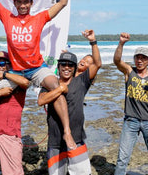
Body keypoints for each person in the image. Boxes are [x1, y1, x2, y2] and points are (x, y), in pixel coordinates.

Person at [0, 0, 77, 149]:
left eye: (26, 1)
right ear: (15, 3)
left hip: (36, 69)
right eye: (19, 1)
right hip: (16, 72)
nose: (23, 4)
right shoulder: (7, 17)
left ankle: (67, 133)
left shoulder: (39, 18)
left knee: (56, 90)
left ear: (31, 3)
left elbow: (63, 3)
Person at [37, 29, 101, 175]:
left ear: (74, 68)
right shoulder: (50, 84)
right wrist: (59, 89)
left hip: (76, 139)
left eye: (70, 65)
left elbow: (97, 64)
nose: (67, 67)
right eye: (63, 64)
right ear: (58, 67)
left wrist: (93, 41)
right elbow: (41, 101)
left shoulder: (81, 82)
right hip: (55, 142)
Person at [113, 32, 148, 175]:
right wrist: (121, 43)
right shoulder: (129, 72)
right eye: (137, 57)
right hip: (130, 121)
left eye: (143, 58)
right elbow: (117, 60)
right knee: (122, 159)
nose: (139, 60)